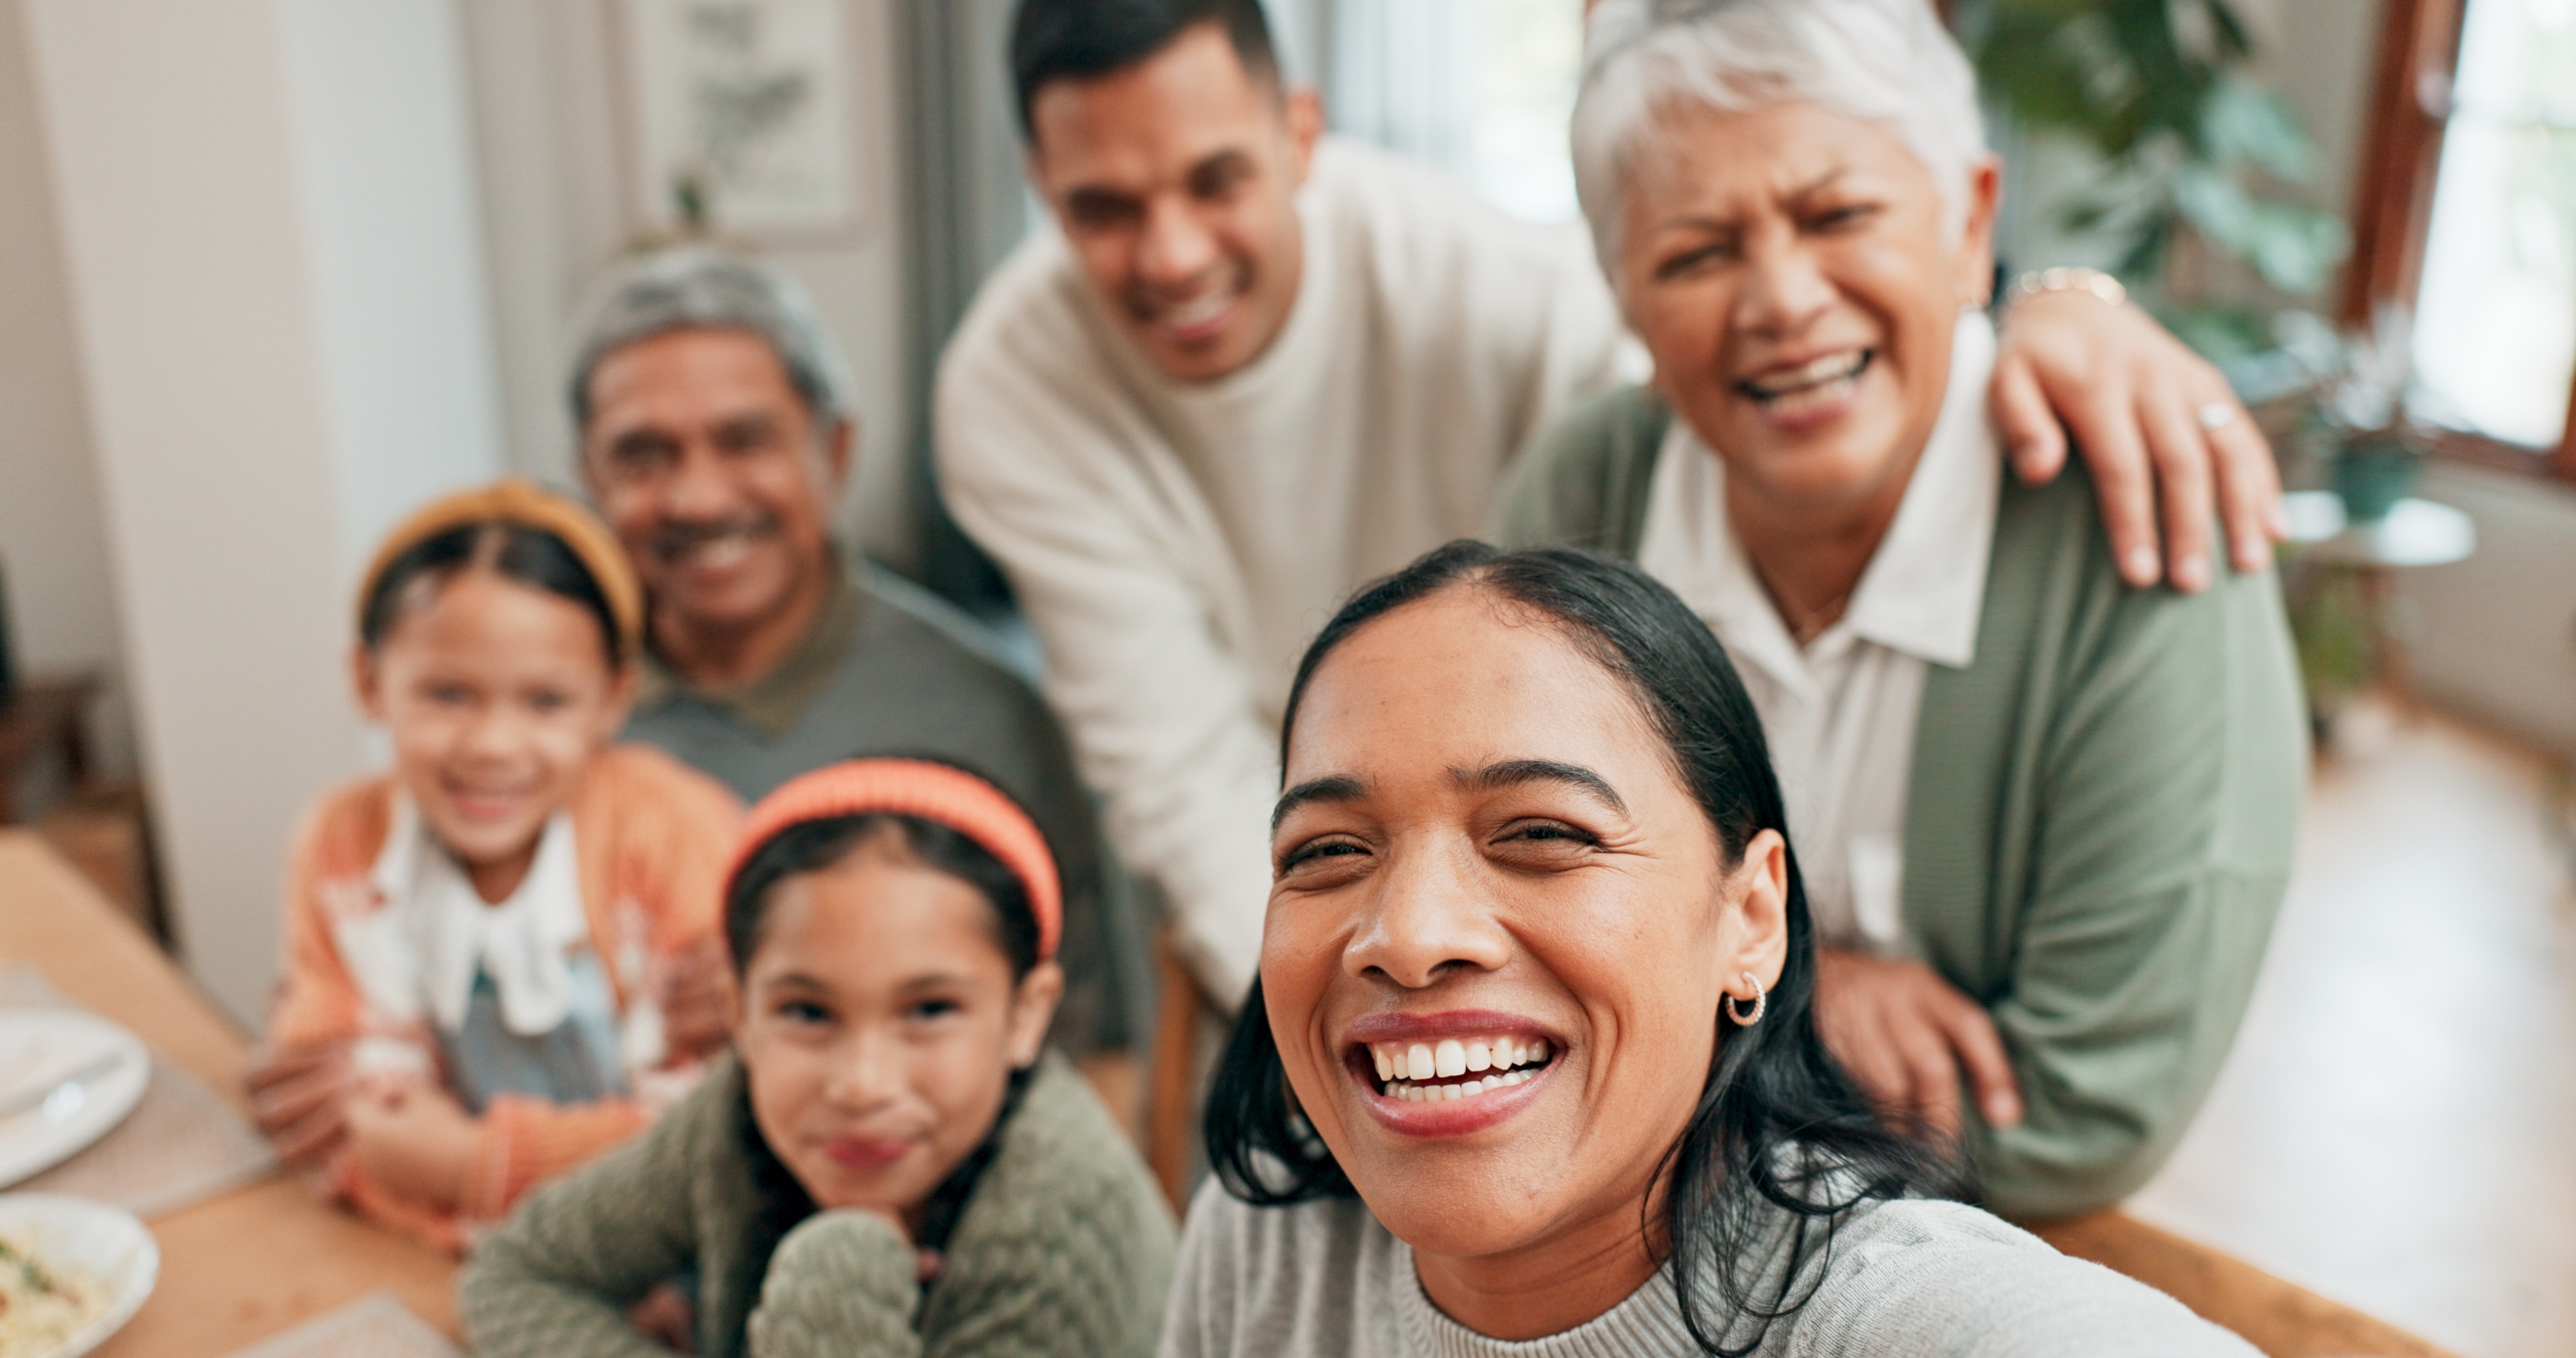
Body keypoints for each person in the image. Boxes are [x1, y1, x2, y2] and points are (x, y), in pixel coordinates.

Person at [936, 0, 2289, 1007]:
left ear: (1301, 137)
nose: (1170, 252)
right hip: (1349, 880)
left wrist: (2051, 305)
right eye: (1104, 208)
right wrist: (1385, 1034)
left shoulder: (1499, 296)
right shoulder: (1008, 393)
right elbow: (1179, 772)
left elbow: (1771, 368)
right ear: (1036, 189)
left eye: (1213, 179)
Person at [1494, 0, 2306, 1220]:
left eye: (1837, 216)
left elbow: (2081, 1112)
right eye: (1695, 252)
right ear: (1623, 298)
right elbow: (1487, 922)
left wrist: (1667, 1008)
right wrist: (1797, 990)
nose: (1778, 298)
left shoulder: (2134, 535)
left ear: (1969, 221)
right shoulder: (1580, 492)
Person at [1167, 541, 2255, 1355]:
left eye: (1542, 834)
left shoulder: (1894, 1320)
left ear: (1751, 920)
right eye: (1326, 851)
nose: (1408, 936)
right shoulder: (1275, 1248)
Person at [572, 250, 1140, 1056]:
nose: (698, 498)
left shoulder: (983, 716)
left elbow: (1091, 1047)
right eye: (642, 456)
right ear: (587, 477)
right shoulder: (530, 719)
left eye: (745, 441)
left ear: (834, 449)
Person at [461, 758, 1176, 1358]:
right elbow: (518, 1272)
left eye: (930, 1011)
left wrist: (840, 1276)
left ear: (1025, 1016)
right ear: (739, 1013)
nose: (862, 1085)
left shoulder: (1060, 1222)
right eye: (807, 1012)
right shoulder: (732, 1114)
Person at [247, 480, 742, 1251]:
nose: (492, 747)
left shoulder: (672, 826)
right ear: (370, 684)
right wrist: (471, 1223)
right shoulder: (340, 841)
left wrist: (473, 1163)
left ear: (613, 698)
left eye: (545, 702)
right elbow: (351, 1115)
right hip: (461, 1252)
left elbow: (715, 1127)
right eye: (448, 695)